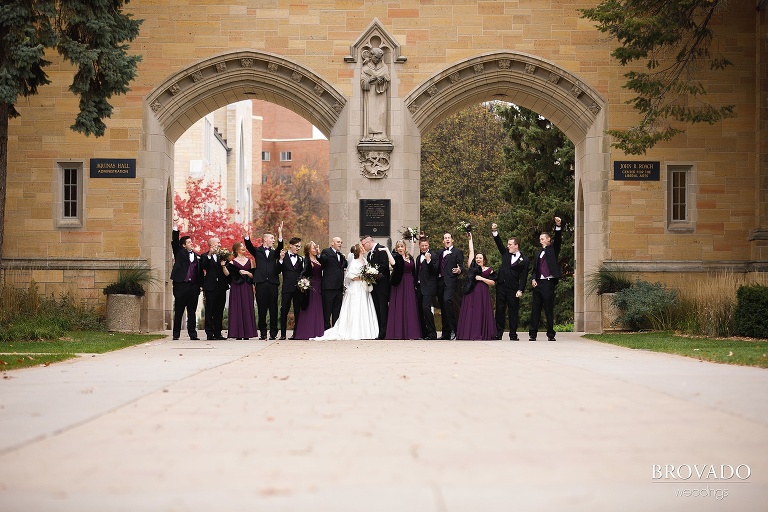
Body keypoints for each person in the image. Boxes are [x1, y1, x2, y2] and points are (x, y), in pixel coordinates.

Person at [311, 243, 379, 340]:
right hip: (356, 288)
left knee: (364, 306)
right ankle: (354, 331)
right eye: (361, 247)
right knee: (355, 308)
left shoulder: (365, 260)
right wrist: (364, 277)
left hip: (364, 288)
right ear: (358, 250)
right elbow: (350, 276)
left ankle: (365, 331)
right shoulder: (355, 262)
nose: (364, 248)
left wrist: (370, 276)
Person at [245, 222, 284, 340]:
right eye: (272, 238)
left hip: (272, 283)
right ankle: (262, 332)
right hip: (261, 283)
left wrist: (280, 233)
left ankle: (273, 332)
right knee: (261, 309)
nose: (273, 240)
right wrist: (246, 235)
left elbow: (280, 247)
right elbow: (249, 246)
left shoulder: (274, 253)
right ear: (265, 239)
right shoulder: (257, 251)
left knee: (273, 309)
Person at [491, 223, 529, 341]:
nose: (508, 246)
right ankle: (498, 333)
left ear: (516, 246)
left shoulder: (524, 260)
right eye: (508, 244)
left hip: (513, 288)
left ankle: (513, 334)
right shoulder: (505, 254)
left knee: (513, 311)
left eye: (510, 244)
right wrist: (495, 231)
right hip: (501, 286)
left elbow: (524, 276)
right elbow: (499, 244)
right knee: (500, 310)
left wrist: (520, 290)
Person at [456, 233, 497, 340]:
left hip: (483, 293)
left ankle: (482, 333)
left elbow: (493, 283)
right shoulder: (472, 268)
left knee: (481, 312)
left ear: (484, 259)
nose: (478, 259)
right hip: (471, 292)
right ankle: (469, 333)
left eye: (480, 258)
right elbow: (471, 253)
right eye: (477, 258)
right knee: (471, 312)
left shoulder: (489, 269)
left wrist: (482, 279)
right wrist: (470, 239)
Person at [529, 216, 563, 342]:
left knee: (548, 309)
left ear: (549, 240)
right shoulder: (538, 253)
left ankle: (550, 334)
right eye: (540, 239)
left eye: (543, 239)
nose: (541, 240)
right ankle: (533, 334)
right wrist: (533, 279)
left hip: (548, 283)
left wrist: (558, 226)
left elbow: (558, 239)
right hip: (538, 283)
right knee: (535, 309)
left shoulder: (553, 249)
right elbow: (534, 269)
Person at [170, 224, 202, 341]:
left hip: (193, 286)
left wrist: (200, 286)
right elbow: (174, 241)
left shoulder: (197, 256)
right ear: (183, 245)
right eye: (188, 242)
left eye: (191, 242)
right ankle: (176, 334)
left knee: (192, 311)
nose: (191, 243)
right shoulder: (179, 253)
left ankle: (193, 334)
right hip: (181, 285)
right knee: (179, 310)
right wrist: (175, 228)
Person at [386, 239, 421, 340]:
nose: (400, 248)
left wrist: (413, 243)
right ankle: (397, 333)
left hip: (409, 283)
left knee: (409, 306)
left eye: (402, 246)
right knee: (399, 306)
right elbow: (393, 264)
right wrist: (387, 251)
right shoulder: (396, 257)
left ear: (405, 247)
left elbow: (412, 261)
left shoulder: (409, 257)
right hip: (399, 283)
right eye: (398, 247)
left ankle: (411, 333)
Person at [361, 235, 393, 339]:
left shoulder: (381, 249)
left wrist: (373, 274)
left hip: (382, 286)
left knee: (383, 309)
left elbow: (384, 266)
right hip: (374, 286)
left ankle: (384, 333)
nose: (363, 247)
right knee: (377, 309)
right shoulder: (369, 253)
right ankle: (378, 331)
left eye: (363, 244)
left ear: (368, 243)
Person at [200, 237, 230, 341]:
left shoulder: (222, 256)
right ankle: (209, 333)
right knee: (210, 310)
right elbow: (204, 266)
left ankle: (218, 332)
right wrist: (209, 255)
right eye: (218, 242)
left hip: (221, 286)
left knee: (219, 310)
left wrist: (223, 265)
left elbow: (226, 271)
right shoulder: (204, 256)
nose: (219, 244)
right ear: (212, 244)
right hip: (210, 287)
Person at [293, 241, 325, 339]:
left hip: (320, 286)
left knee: (319, 308)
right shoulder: (307, 261)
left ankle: (318, 331)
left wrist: (319, 253)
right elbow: (302, 274)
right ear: (308, 250)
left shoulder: (319, 259)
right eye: (313, 248)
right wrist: (303, 284)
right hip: (312, 287)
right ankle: (307, 331)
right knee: (310, 308)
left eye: (315, 247)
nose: (315, 249)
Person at [225, 242, 257, 340]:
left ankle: (248, 333)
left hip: (247, 287)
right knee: (237, 307)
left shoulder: (250, 261)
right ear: (236, 250)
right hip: (236, 288)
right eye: (241, 247)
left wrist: (247, 272)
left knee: (247, 306)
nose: (244, 248)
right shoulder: (231, 263)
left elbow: (253, 276)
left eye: (244, 247)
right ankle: (238, 333)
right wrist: (223, 266)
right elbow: (227, 275)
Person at [437, 232, 464, 340]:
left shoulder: (457, 252)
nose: (447, 239)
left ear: (452, 240)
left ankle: (454, 330)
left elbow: (461, 266)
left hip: (451, 282)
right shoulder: (439, 252)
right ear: (443, 241)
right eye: (445, 238)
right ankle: (445, 333)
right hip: (440, 283)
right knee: (443, 306)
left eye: (449, 238)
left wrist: (459, 270)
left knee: (447, 301)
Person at [360, 47, 390, 140]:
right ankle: (369, 136)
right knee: (371, 115)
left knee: (381, 113)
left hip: (380, 95)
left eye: (379, 58)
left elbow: (387, 78)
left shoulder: (384, 67)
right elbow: (362, 82)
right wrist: (369, 80)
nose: (377, 60)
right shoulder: (365, 68)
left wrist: (383, 80)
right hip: (370, 94)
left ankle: (381, 136)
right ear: (371, 56)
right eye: (376, 57)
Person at [319, 236, 347, 329]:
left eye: (341, 242)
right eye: (338, 242)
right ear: (332, 243)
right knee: (327, 310)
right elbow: (323, 260)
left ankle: (335, 329)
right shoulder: (326, 252)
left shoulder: (341, 255)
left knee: (337, 310)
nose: (340, 244)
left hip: (339, 287)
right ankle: (326, 329)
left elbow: (344, 265)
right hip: (329, 287)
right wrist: (319, 255)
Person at [278, 236, 303, 340]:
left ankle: (296, 333)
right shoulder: (284, 257)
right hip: (287, 288)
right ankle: (283, 334)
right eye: (296, 246)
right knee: (284, 310)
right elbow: (277, 270)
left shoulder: (301, 259)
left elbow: (302, 273)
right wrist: (280, 260)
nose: (298, 248)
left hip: (298, 289)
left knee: (298, 311)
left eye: (299, 246)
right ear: (291, 245)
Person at [415, 235, 439, 340]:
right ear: (419, 246)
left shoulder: (434, 255)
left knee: (426, 308)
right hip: (419, 286)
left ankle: (432, 333)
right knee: (420, 309)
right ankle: (424, 333)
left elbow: (434, 271)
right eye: (422, 245)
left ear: (428, 245)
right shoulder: (418, 257)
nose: (424, 247)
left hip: (429, 287)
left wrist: (428, 261)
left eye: (426, 245)